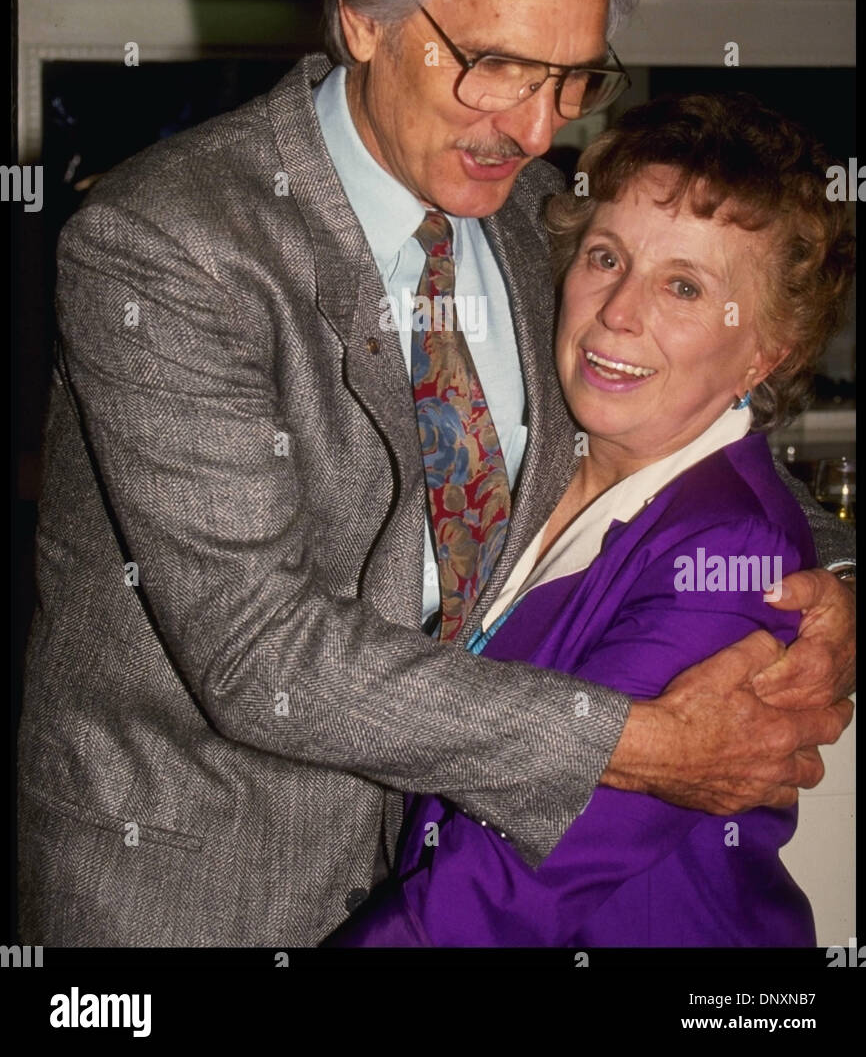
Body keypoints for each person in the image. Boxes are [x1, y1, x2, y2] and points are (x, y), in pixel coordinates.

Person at [17, 0, 854, 948]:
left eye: (573, 77)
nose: (537, 125)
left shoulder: (528, 218)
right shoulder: (167, 247)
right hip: (193, 892)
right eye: (497, 62)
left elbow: (678, 411)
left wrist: (821, 579)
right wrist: (646, 745)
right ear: (361, 19)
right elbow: (257, 649)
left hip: (444, 875)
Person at [324, 92, 856, 947]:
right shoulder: (534, 452)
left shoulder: (733, 553)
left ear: (766, 352)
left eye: (685, 286)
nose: (618, 311)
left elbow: (508, 891)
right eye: (606, 257)